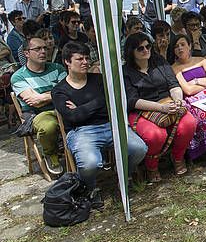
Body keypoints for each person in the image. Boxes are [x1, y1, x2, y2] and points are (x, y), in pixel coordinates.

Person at [52, 42, 147, 190]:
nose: (85, 62)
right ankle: (88, 188)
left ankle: (124, 172)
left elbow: (113, 105)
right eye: (79, 59)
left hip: (110, 125)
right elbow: (73, 117)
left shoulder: (99, 80)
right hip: (81, 131)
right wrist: (100, 102)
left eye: (86, 58)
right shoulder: (59, 90)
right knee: (90, 163)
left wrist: (82, 108)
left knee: (139, 149)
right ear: (67, 62)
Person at [122, 32, 197, 183]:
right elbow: (132, 100)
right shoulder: (125, 72)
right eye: (140, 48)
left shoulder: (159, 61)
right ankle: (152, 166)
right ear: (131, 52)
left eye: (148, 46)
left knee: (189, 123)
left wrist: (178, 100)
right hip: (142, 109)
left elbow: (173, 84)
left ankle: (177, 157)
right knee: (155, 135)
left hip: (167, 102)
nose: (146, 50)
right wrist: (160, 108)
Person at [11, 37, 67, 175]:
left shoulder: (57, 68)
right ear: (26, 53)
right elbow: (32, 101)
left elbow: (67, 91)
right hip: (36, 114)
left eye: (45, 48)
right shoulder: (18, 77)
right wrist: (55, 93)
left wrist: (42, 96)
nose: (43, 51)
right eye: (37, 49)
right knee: (48, 126)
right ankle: (50, 153)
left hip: (62, 108)